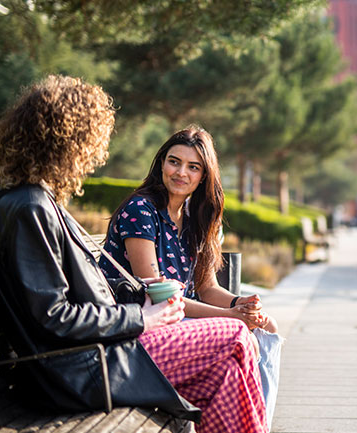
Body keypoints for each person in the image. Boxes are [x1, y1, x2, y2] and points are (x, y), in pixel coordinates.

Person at [0, 75, 268, 433]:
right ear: (68, 142)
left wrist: (137, 304)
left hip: (98, 353)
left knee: (225, 374)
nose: (93, 157)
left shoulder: (33, 200)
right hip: (82, 367)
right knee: (237, 337)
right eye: (90, 144)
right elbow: (53, 317)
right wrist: (141, 318)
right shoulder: (28, 208)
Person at [99, 126, 282, 425]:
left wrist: (242, 303)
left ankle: (260, 425)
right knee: (241, 339)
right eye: (174, 161)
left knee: (266, 329)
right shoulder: (141, 210)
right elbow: (160, 297)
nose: (181, 172)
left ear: (204, 176)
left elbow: (207, 288)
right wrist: (234, 317)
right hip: (142, 327)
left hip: (180, 318)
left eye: (193, 167)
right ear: (161, 164)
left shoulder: (194, 217)